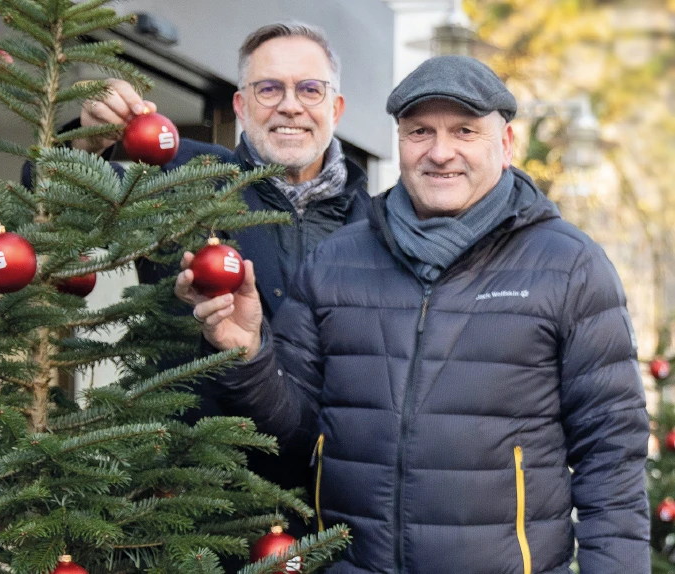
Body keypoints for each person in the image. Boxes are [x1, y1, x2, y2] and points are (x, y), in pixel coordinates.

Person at [174, 55, 651, 573]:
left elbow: (612, 459)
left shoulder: (569, 266)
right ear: (399, 140)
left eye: (465, 131)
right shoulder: (337, 261)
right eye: (420, 131)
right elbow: (292, 439)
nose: (441, 153)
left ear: (506, 144)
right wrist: (248, 353)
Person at [65, 21, 372, 536]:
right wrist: (86, 142)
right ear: (240, 106)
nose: (290, 106)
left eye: (310, 89)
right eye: (269, 88)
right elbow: (51, 194)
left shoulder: (378, 225)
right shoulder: (180, 176)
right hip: (187, 516)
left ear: (335, 109)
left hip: (332, 519)